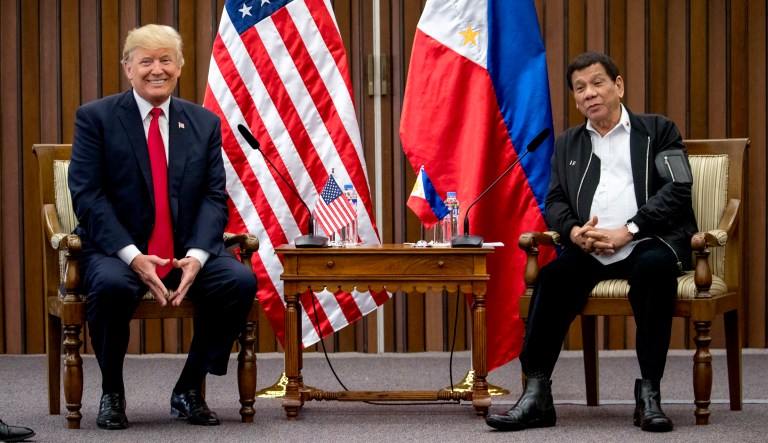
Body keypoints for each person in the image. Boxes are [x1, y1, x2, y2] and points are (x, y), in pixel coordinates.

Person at [486, 52, 697, 433]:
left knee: (653, 270)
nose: (589, 94)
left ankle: (649, 394)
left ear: (618, 86)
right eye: (580, 88)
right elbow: (554, 201)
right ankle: (537, 394)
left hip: (647, 242)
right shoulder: (568, 143)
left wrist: (628, 230)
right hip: (591, 248)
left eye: (597, 83)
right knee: (551, 280)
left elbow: (679, 188)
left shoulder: (659, 130)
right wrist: (572, 233)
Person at [68, 24, 257, 430]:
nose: (157, 69)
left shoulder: (204, 123)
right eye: (146, 61)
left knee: (238, 281)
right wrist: (133, 257)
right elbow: (88, 196)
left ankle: (188, 388)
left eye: (166, 59)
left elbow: (213, 197)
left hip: (184, 247)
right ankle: (112, 393)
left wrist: (197, 256)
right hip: (119, 249)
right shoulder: (96, 118)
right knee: (112, 286)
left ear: (180, 66)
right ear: (128, 68)